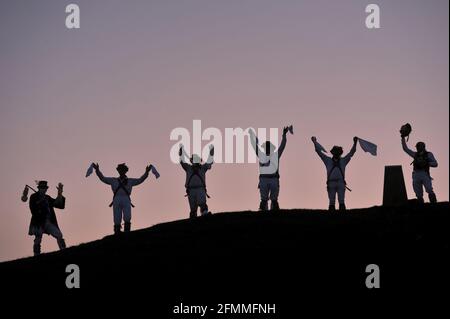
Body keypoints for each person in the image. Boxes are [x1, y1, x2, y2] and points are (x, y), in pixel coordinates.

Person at [92, 162, 152, 234]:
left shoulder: (130, 181)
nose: (121, 171)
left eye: (123, 170)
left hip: (126, 199)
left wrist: (146, 172)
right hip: (117, 199)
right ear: (118, 171)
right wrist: (97, 170)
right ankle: (117, 233)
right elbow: (103, 178)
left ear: (126, 171)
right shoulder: (113, 180)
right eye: (120, 170)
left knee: (127, 216)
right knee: (117, 217)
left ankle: (127, 232)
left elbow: (140, 180)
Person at [312, 136, 358, 211]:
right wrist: (314, 142)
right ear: (333, 152)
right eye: (335, 152)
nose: (336, 153)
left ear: (339, 153)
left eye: (337, 152)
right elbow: (318, 152)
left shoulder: (343, 160)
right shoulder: (328, 160)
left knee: (341, 201)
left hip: (340, 183)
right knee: (332, 202)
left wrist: (355, 143)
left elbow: (352, 153)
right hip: (331, 183)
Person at [249, 126, 289, 211]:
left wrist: (284, 135)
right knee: (264, 200)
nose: (267, 149)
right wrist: (251, 137)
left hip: (273, 179)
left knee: (274, 200)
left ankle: (272, 212)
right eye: (266, 147)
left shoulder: (275, 155)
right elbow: (254, 146)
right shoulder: (262, 155)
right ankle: (265, 212)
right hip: (265, 179)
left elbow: (282, 145)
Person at [24, 181, 67, 256]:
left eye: (45, 188)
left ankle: (63, 250)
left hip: (49, 221)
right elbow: (32, 208)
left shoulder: (47, 197)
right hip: (38, 221)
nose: (44, 190)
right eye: (42, 188)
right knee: (38, 238)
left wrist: (59, 193)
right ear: (39, 188)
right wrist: (40, 202)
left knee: (59, 235)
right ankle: (36, 254)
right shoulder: (33, 196)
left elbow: (58, 204)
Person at [179, 144, 214, 219]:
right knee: (193, 209)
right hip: (191, 191)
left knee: (202, 204)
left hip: (200, 189)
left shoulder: (203, 168)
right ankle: (193, 221)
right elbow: (182, 161)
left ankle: (205, 215)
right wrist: (181, 153)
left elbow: (209, 161)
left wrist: (211, 152)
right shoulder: (188, 168)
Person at [401, 137, 438, 203]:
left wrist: (427, 163)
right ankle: (420, 206)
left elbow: (435, 164)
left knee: (429, 189)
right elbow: (405, 149)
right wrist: (403, 138)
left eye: (419, 146)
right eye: (417, 147)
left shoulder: (428, 154)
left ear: (423, 147)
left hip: (424, 173)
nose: (417, 148)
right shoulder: (415, 154)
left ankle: (434, 203)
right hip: (416, 174)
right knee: (418, 193)